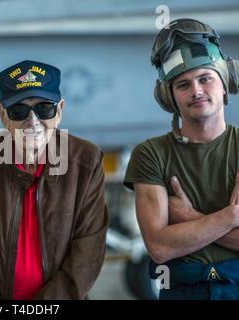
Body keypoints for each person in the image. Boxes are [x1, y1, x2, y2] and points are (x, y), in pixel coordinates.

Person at [0, 60, 108, 299]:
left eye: (44, 109)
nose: (32, 122)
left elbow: (88, 251)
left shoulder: (86, 161)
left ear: (60, 110)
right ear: (2, 113)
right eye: (18, 110)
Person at [124, 18, 239, 299]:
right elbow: (160, 247)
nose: (196, 91)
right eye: (183, 85)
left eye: (205, 79)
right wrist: (232, 216)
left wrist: (188, 217)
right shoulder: (151, 154)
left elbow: (170, 239)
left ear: (225, 83)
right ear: (170, 98)